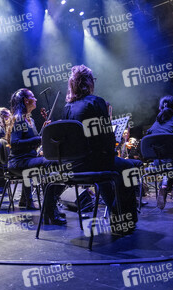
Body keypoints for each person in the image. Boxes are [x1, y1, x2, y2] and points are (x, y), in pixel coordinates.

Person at [62, 65, 138, 231]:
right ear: (89, 82)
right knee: (129, 168)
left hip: (73, 167)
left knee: (106, 169)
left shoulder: (67, 109)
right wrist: (112, 152)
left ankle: (115, 215)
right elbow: (107, 138)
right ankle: (123, 220)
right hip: (94, 162)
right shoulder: (96, 102)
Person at [7, 88, 66, 224]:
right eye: (33, 97)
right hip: (19, 162)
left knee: (57, 164)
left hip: (28, 159)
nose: (36, 99)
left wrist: (42, 132)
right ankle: (50, 209)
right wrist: (40, 138)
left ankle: (49, 207)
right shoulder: (19, 119)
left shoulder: (30, 120)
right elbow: (15, 143)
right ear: (26, 100)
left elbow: (31, 141)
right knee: (52, 164)